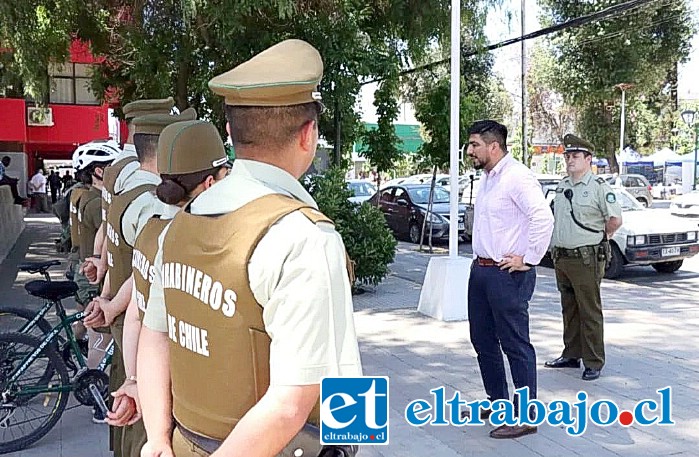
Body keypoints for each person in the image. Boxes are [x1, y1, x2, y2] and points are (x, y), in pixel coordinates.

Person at [138, 39, 362, 457]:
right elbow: (292, 403)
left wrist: (156, 439)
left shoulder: (183, 225)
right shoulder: (305, 237)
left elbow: (155, 335)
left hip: (187, 441)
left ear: (229, 133)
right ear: (309, 134)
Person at [108, 119, 230, 452]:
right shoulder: (306, 239)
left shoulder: (160, 235)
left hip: (167, 419)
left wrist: (135, 381)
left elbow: (143, 321)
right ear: (210, 182)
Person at [83, 108, 195, 457]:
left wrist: (108, 299)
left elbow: (135, 281)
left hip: (132, 342)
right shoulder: (158, 209)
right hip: (147, 353)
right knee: (141, 434)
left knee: (130, 430)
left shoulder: (124, 197)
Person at [466, 120, 554, 439]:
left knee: (515, 344)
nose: (470, 150)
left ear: (494, 146)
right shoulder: (488, 178)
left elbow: (543, 217)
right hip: (481, 271)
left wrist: (528, 258)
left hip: (507, 274)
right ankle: (499, 403)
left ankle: (526, 416)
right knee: (483, 340)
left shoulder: (517, 177)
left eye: (475, 144)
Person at [545, 134, 623, 381]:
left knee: (589, 310)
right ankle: (571, 354)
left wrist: (603, 238)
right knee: (569, 308)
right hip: (563, 257)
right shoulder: (562, 186)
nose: (569, 160)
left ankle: (593, 361)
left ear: (588, 159)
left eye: (575, 156)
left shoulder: (599, 187)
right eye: (567, 156)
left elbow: (615, 220)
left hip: (586, 258)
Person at [72, 141, 121, 422]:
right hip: (95, 272)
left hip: (87, 265)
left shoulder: (82, 196)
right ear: (100, 171)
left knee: (89, 327)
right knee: (98, 336)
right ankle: (97, 400)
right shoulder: (96, 201)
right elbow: (108, 229)